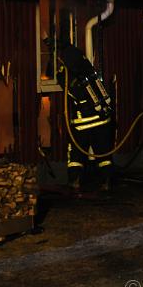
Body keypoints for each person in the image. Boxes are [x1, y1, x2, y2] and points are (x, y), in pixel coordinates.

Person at [56, 43, 115, 192]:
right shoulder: (89, 70)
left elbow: (65, 87)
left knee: (75, 155)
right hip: (102, 121)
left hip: (83, 124)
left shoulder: (71, 77)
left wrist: (60, 71)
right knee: (103, 154)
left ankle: (75, 181)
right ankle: (106, 182)